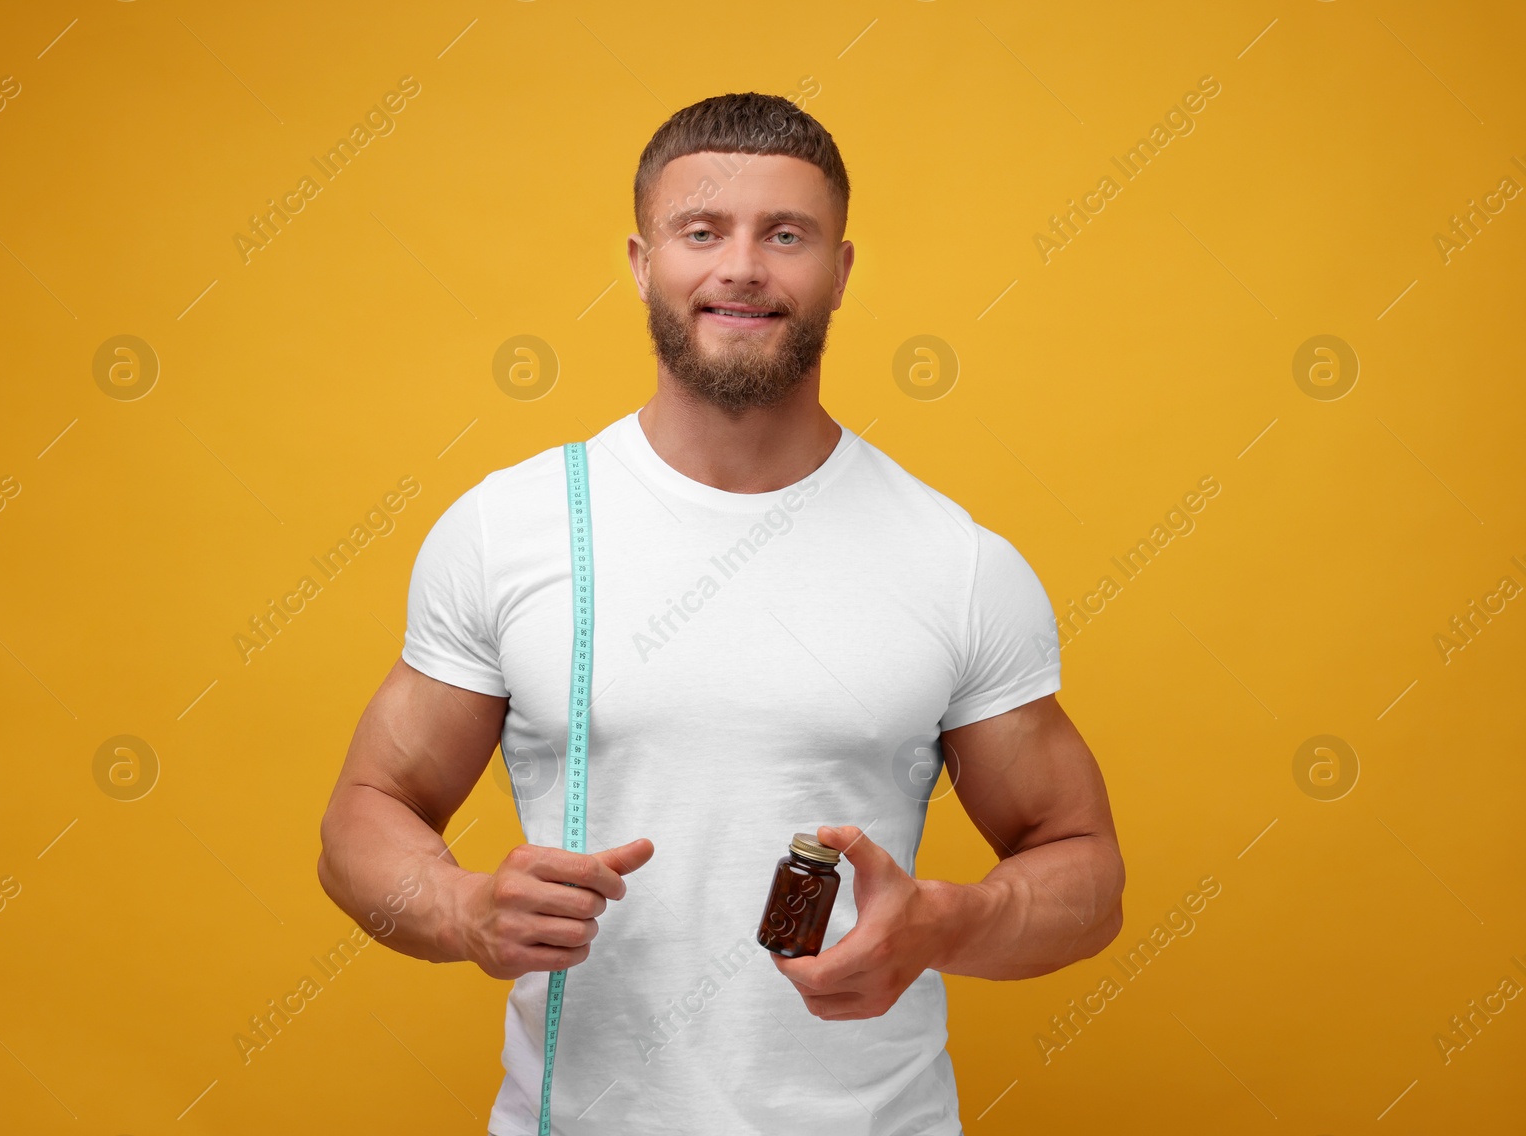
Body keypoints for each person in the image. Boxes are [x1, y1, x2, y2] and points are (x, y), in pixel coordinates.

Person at [317, 91, 1125, 1136]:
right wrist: (461, 908)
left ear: (838, 270)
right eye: (701, 231)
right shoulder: (511, 527)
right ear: (642, 261)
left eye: (784, 235)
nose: (741, 266)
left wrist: (945, 920)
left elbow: (1086, 872)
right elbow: (363, 817)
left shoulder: (955, 560)